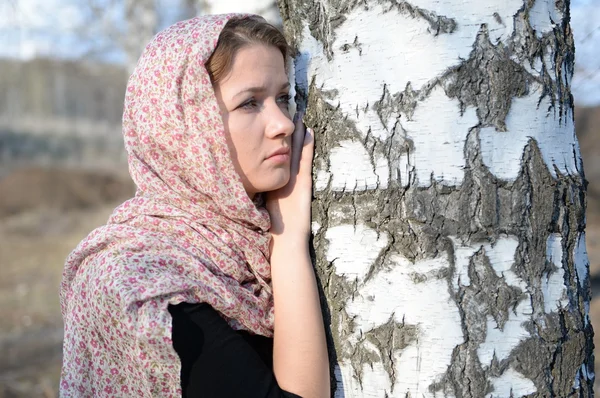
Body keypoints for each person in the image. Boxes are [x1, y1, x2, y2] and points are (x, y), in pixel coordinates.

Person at [59, 13, 330, 398]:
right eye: (250, 103)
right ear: (184, 127)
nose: (283, 123)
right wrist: (286, 242)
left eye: (283, 98)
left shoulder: (240, 249)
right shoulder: (144, 280)